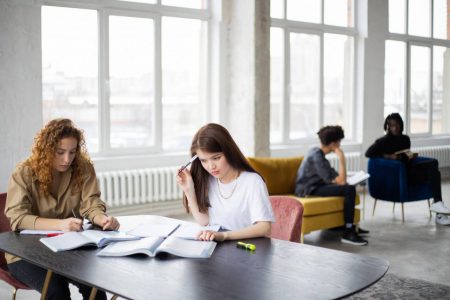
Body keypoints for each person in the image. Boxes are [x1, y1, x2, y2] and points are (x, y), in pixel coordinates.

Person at [5, 118, 120, 300]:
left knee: (95, 288)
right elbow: (18, 218)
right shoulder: (23, 173)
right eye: (60, 152)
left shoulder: (82, 168)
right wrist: (60, 224)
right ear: (47, 149)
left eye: (72, 152)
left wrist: (101, 219)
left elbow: (92, 203)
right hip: (25, 253)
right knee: (56, 290)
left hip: (66, 249)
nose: (67, 159)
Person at [176, 123, 275, 242]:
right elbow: (204, 221)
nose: (211, 166)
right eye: (204, 160)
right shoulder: (208, 180)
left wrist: (224, 236)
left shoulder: (252, 181)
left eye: (216, 158)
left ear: (229, 151)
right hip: (217, 247)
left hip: (247, 249)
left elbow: (264, 228)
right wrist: (188, 189)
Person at [365, 113, 450, 225]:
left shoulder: (405, 139)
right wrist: (389, 156)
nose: (395, 128)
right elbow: (368, 153)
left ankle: (438, 207)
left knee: (434, 165)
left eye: (397, 125)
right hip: (397, 177)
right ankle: (438, 210)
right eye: (392, 125)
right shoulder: (383, 141)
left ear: (401, 125)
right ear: (388, 127)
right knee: (434, 171)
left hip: (409, 170)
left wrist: (410, 156)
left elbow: (405, 156)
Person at [294, 125, 369, 246]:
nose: (340, 144)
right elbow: (341, 181)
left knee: (348, 188)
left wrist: (347, 179)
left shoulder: (318, 154)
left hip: (317, 186)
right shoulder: (317, 156)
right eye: (339, 141)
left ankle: (346, 225)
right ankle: (348, 232)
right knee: (348, 189)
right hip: (308, 190)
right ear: (334, 143)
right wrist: (341, 157)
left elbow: (336, 178)